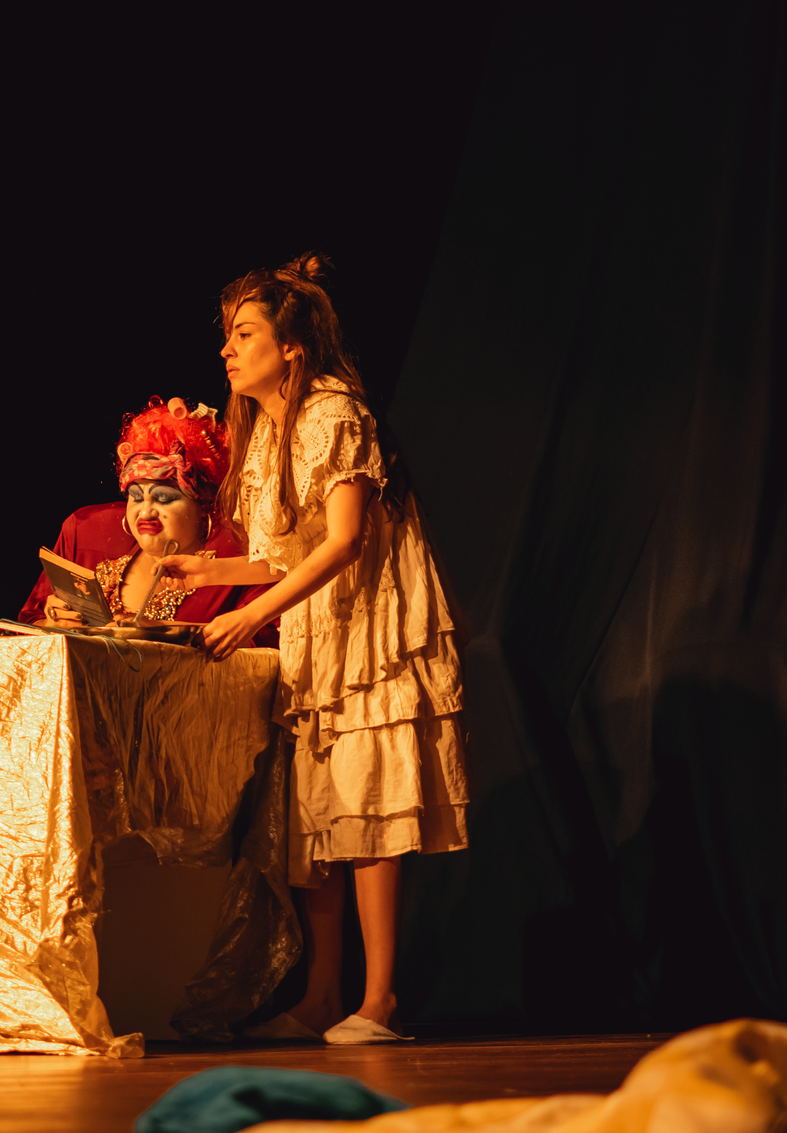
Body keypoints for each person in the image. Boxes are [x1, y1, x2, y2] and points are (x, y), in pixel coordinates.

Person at [160, 254, 470, 1045]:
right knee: (321, 814)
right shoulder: (266, 432)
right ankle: (323, 995)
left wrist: (246, 614)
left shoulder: (334, 413)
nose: (227, 351)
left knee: (368, 803)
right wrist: (213, 569)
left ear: (290, 344)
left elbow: (341, 542)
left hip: (366, 625)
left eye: (244, 334)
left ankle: (379, 1001)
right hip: (317, 625)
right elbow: (282, 551)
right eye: (226, 336)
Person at [27, 397, 277, 635]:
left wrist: (162, 633)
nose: (145, 512)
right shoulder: (86, 530)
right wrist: (52, 622)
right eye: (135, 496)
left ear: (203, 504)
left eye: (165, 498)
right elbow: (29, 625)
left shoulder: (251, 551)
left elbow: (263, 650)